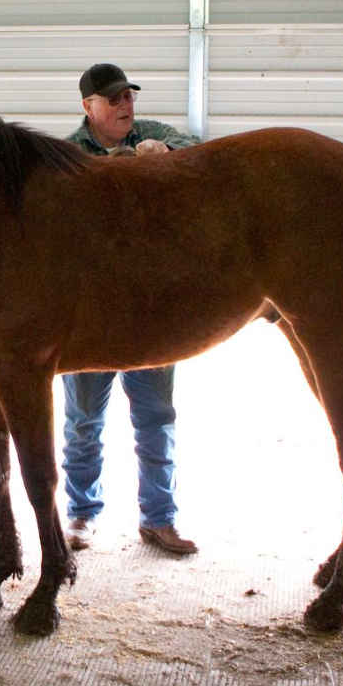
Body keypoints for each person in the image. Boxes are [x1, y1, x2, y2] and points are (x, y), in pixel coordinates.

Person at [63, 63, 200, 555]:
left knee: (157, 418)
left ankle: (159, 519)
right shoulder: (68, 155)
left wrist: (167, 156)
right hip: (88, 314)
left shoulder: (154, 136)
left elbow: (202, 153)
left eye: (128, 96)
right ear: (88, 106)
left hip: (148, 310)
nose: (126, 105)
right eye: (114, 98)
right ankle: (81, 515)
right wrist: (115, 166)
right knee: (82, 422)